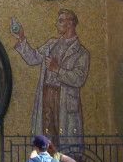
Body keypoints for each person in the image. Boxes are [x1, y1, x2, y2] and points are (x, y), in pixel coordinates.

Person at [11, 9, 90, 143]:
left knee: (65, 140)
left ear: (70, 24)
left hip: (64, 98)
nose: (56, 24)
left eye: (60, 21)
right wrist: (21, 38)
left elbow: (79, 79)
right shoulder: (52, 44)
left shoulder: (81, 52)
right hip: (47, 94)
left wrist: (58, 70)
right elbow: (33, 58)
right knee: (48, 136)